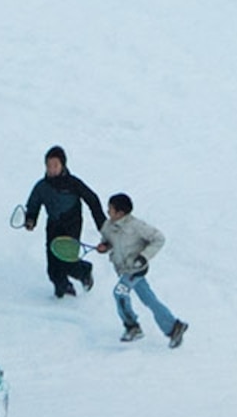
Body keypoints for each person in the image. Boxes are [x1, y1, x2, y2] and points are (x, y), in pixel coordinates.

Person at [96, 193, 187, 348]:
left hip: (136, 270)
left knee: (120, 293)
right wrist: (104, 246)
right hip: (124, 269)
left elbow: (159, 238)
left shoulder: (136, 226)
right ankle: (173, 326)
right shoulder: (108, 226)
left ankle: (132, 327)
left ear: (121, 213)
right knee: (149, 299)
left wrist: (144, 257)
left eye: (110, 209)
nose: (107, 211)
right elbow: (108, 241)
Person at [19, 146, 105, 296]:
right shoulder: (41, 186)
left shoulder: (73, 183)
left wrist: (102, 225)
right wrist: (30, 219)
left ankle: (84, 271)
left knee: (67, 262)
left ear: (63, 165)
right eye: (48, 166)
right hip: (53, 227)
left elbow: (92, 200)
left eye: (55, 165)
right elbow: (33, 204)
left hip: (71, 226)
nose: (51, 169)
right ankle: (64, 289)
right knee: (53, 269)